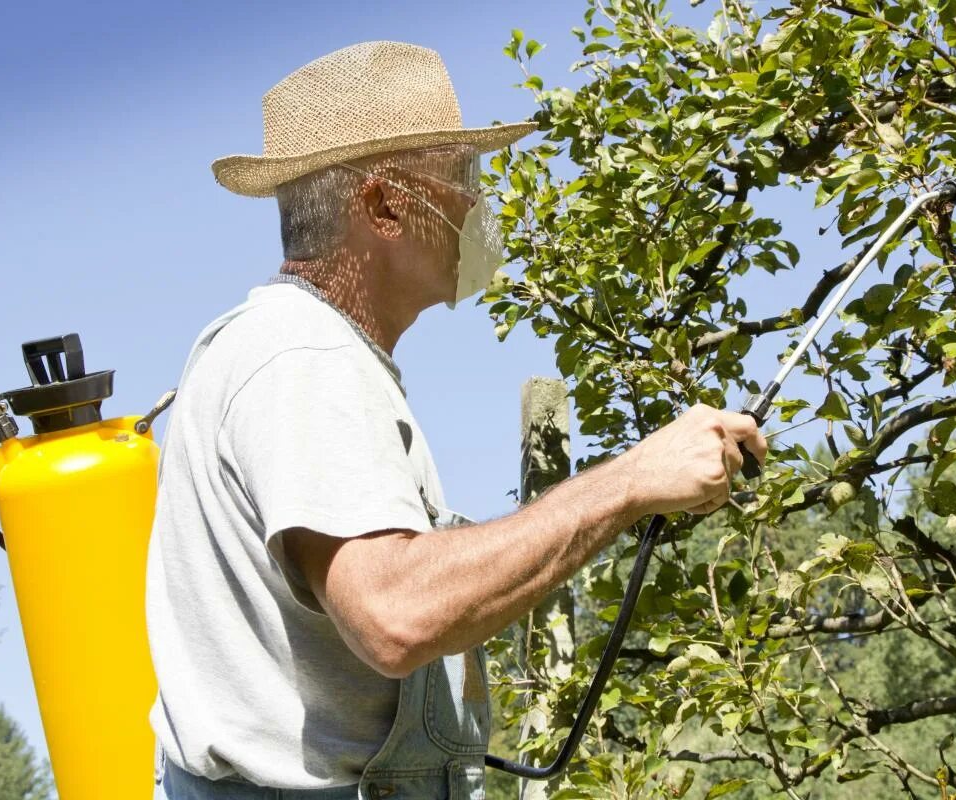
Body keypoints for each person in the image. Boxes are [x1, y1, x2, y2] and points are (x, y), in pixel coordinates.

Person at [145, 40, 766, 800]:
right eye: (460, 179)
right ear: (382, 207)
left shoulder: (300, 352)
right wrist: (633, 480)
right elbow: (395, 614)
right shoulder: (301, 356)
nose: (478, 205)